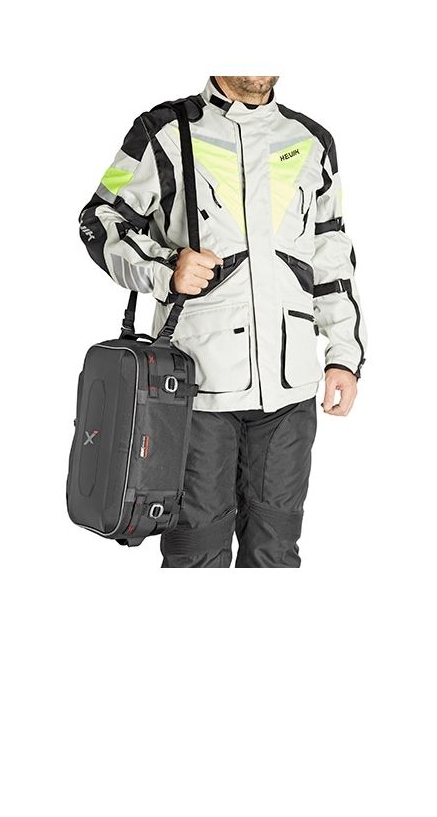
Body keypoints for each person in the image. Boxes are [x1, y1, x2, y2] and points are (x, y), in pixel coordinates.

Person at [78, 76, 368, 567]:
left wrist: (344, 354)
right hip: (196, 391)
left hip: (289, 392)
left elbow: (330, 252)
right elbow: (99, 219)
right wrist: (165, 268)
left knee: (276, 555)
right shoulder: (164, 130)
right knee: (196, 555)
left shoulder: (311, 141)